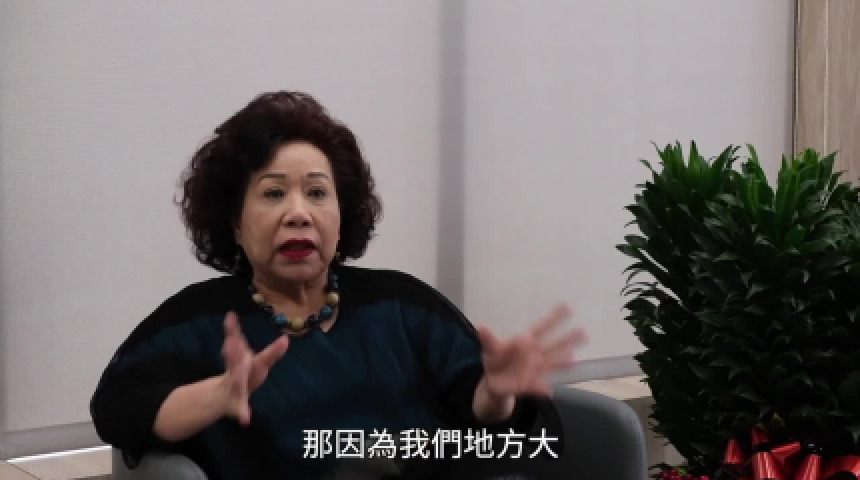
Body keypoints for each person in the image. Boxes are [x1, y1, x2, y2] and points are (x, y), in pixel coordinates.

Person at [90, 91, 587, 480]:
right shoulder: (199, 324)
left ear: (342, 212)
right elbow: (118, 409)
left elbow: (489, 417)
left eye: (317, 192)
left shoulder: (402, 304)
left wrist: (494, 396)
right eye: (274, 193)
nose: (298, 213)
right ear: (235, 223)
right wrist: (217, 395)